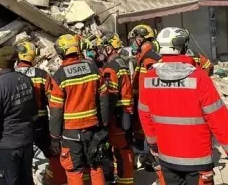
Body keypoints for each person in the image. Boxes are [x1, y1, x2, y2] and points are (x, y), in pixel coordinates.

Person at [139, 27, 228, 185]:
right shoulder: (199, 77)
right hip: (197, 159)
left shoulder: (148, 79)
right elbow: (217, 117)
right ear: (183, 46)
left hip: (166, 157)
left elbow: (145, 115)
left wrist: (153, 144)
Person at [49, 34, 110, 185]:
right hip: (93, 127)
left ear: (62, 52)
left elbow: (56, 111)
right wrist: (104, 124)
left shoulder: (59, 75)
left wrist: (55, 137)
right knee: (95, 164)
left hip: (71, 132)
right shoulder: (93, 68)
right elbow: (104, 99)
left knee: (74, 170)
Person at [0, 46, 37, 185]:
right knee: (26, 180)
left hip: (6, 147)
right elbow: (33, 111)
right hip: (26, 143)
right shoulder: (26, 80)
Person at [14, 41, 67, 185]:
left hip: (17, 125)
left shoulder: (10, 76)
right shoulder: (42, 75)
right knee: (53, 153)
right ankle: (60, 180)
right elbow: (55, 101)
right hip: (40, 123)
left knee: (20, 157)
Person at [100, 33, 134, 185]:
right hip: (126, 111)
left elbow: (111, 96)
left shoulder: (111, 68)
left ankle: (124, 180)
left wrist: (104, 118)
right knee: (124, 146)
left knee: (120, 149)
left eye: (104, 48)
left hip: (117, 114)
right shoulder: (122, 63)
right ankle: (125, 177)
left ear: (109, 48)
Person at [129, 25, 162, 157]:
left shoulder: (149, 58)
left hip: (150, 102)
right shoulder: (143, 57)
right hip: (144, 100)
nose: (133, 42)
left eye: (136, 38)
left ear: (142, 39)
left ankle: (153, 154)